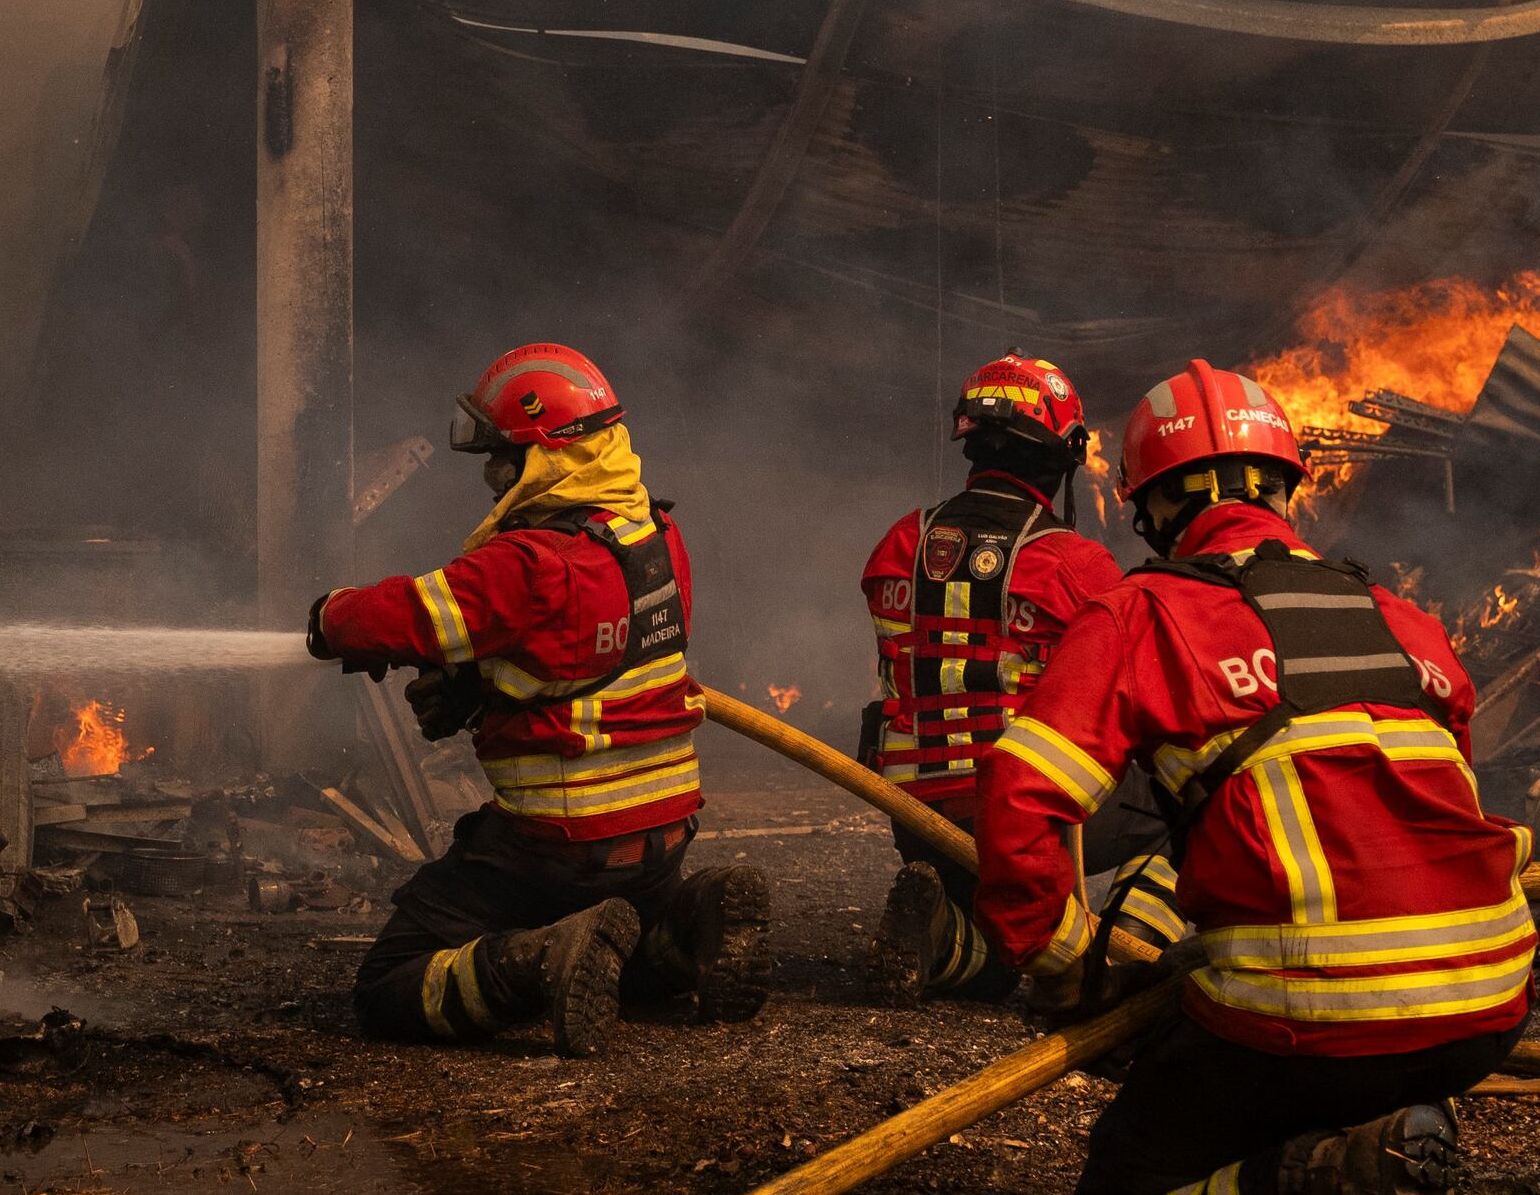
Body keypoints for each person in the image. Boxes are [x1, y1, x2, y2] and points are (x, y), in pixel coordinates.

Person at [969, 360, 1532, 1195]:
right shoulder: (1399, 616)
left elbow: (1021, 799)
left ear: (1144, 508)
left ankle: (1327, 1194)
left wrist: (1064, 970)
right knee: (1200, 929)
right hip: (1482, 1010)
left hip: (1302, 1023)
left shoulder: (1142, 613)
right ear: (1285, 486)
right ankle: (1371, 1146)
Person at [307, 342, 769, 1053]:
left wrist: (329, 618)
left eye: (503, 457)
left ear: (548, 457)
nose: (492, 477)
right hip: (662, 842)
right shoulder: (658, 537)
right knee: (622, 971)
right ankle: (685, 926)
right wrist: (479, 684)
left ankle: (534, 961)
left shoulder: (525, 564)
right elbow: (582, 655)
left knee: (389, 984)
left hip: (558, 850)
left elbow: (399, 615)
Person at [861, 354, 1131, 995]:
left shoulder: (900, 542)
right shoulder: (1076, 565)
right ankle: (1126, 952)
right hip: (1022, 818)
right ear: (1063, 458)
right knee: (1184, 791)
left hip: (915, 812)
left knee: (990, 968)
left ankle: (946, 930)